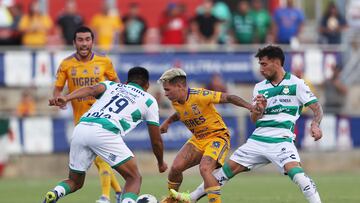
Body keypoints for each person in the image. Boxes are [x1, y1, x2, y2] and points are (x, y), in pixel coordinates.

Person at [171, 45, 323, 203]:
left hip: (281, 140)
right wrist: (258, 110)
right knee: (225, 172)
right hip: (257, 140)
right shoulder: (260, 87)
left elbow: (317, 108)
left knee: (297, 174)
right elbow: (254, 119)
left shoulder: (297, 84)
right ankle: (191, 198)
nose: (261, 69)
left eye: (264, 64)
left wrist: (315, 124)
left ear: (277, 63)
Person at [44, 67, 168, 203]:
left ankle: (55, 193)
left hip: (82, 127)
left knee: (75, 181)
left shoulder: (112, 85)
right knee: (134, 177)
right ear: (147, 86)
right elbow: (156, 140)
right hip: (105, 131)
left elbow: (91, 89)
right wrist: (161, 162)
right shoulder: (149, 100)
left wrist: (66, 98)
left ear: (126, 82)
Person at [158, 68, 253, 203]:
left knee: (205, 169)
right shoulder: (175, 100)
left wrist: (250, 107)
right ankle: (172, 199)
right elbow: (181, 113)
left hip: (217, 137)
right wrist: (168, 122)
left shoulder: (200, 95)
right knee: (175, 168)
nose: (165, 94)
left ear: (179, 86)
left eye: (167, 90)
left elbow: (229, 97)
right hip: (198, 139)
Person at [52, 26, 123, 203]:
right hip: (81, 122)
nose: (84, 43)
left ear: (92, 41)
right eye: (80, 40)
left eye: (87, 39)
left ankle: (105, 197)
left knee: (101, 159)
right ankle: (119, 192)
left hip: (103, 119)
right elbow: (58, 89)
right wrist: (58, 100)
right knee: (100, 161)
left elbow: (117, 84)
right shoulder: (66, 64)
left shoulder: (104, 61)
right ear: (74, 42)